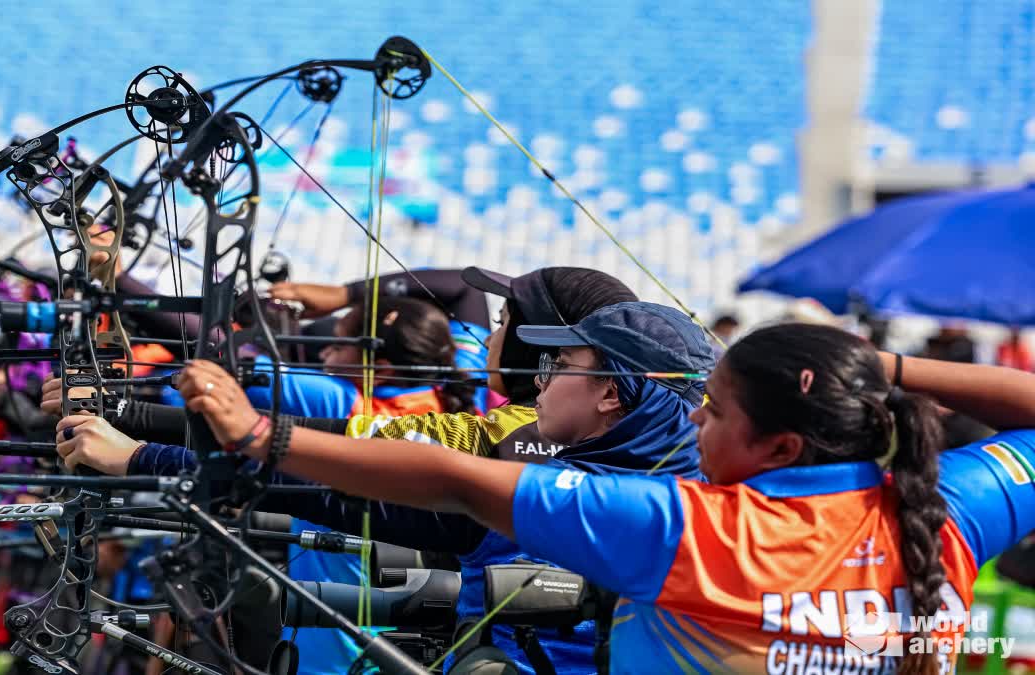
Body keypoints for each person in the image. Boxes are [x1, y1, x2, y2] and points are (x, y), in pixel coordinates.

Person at [157, 319, 1035, 674]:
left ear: (782, 446)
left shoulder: (696, 530)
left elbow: (461, 481)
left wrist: (258, 436)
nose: (696, 416)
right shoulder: (944, 511)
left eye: (716, 408)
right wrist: (887, 369)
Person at [56, 292, 709, 674]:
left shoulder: (588, 501)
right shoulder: (699, 490)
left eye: (561, 363)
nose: (539, 376)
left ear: (609, 393)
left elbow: (335, 488)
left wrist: (139, 450)